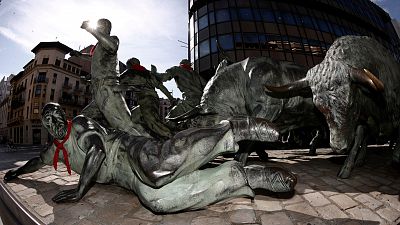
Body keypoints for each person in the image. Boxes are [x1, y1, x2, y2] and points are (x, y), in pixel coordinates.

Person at [4, 103, 296, 213]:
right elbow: (36, 162)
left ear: (63, 117)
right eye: (48, 120)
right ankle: (245, 177)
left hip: (125, 148)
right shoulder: (52, 149)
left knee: (157, 168)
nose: (54, 123)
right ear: (44, 125)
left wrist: (80, 190)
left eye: (57, 116)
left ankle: (233, 129)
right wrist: (16, 175)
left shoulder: (80, 124)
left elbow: (96, 150)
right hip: (122, 177)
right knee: (158, 200)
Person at [70, 18, 143, 136]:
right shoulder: (99, 46)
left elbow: (112, 46)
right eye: (97, 25)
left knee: (125, 126)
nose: (98, 27)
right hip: (99, 91)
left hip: (108, 89)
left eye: (101, 25)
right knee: (82, 119)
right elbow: (93, 59)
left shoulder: (113, 40)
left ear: (108, 28)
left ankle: (150, 146)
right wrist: (79, 55)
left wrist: (90, 29)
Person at [119, 57, 175, 139]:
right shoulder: (148, 73)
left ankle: (173, 137)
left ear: (129, 65)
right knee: (133, 118)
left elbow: (117, 81)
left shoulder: (130, 72)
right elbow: (161, 87)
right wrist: (171, 98)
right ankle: (146, 138)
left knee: (153, 122)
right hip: (151, 100)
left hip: (147, 100)